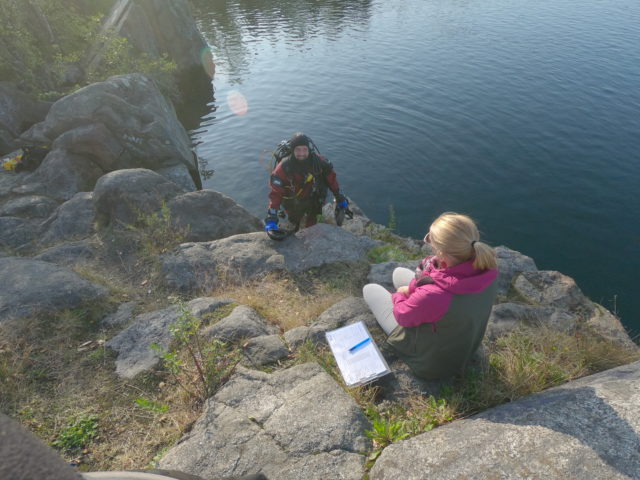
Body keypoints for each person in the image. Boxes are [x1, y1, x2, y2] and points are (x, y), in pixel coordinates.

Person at [362, 212, 498, 380]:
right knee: (398, 273)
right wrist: (413, 290)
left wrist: (400, 295)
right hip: (463, 340)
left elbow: (402, 316)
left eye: (430, 241)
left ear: (441, 253)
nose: (429, 244)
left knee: (371, 290)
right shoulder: (487, 270)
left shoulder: (435, 295)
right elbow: (434, 285)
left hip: (435, 361)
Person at [265, 132, 348, 235]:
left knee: (311, 228)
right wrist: (272, 216)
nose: (302, 153)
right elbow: (276, 193)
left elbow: (331, 179)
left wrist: (339, 196)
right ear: (292, 150)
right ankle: (294, 230)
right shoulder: (283, 168)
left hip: (314, 200)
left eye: (304, 149)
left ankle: (310, 239)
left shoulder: (320, 162)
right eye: (298, 150)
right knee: (293, 224)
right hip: (293, 203)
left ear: (309, 149)